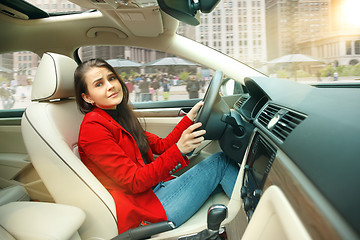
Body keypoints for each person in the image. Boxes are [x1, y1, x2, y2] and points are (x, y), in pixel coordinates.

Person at [74, 58, 239, 234]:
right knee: (221, 163)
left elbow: (161, 145)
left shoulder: (118, 116)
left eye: (112, 78)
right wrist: (179, 150)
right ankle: (256, 223)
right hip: (148, 209)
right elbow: (134, 181)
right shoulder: (93, 128)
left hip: (157, 191)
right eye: (99, 84)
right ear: (87, 97)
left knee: (221, 167)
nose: (110, 86)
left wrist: (190, 117)